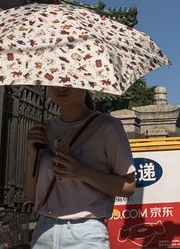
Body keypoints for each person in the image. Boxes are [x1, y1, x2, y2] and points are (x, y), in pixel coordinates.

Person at [24, 86, 136, 248]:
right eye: (54, 79)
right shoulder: (43, 129)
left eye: (68, 81)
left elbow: (128, 186)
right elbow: (31, 195)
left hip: (86, 233)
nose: (60, 86)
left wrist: (81, 172)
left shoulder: (108, 127)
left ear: (85, 85)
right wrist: (31, 153)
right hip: (43, 231)